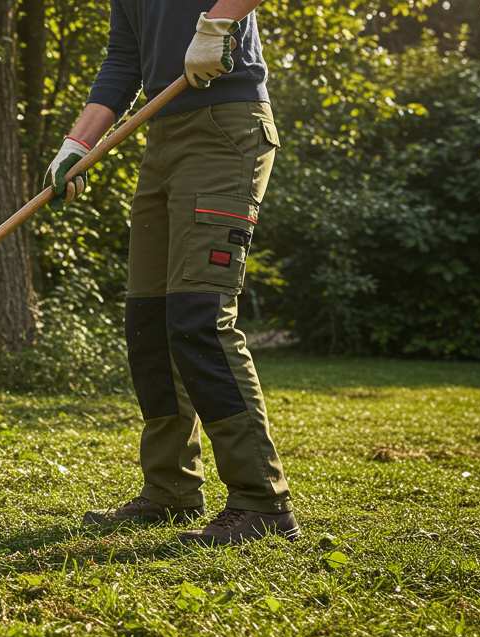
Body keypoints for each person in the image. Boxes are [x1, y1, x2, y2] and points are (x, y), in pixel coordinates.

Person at [44, 0, 299, 545]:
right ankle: (170, 488)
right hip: (165, 135)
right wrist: (77, 143)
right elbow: (122, 62)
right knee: (149, 319)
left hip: (226, 130)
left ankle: (262, 501)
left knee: (198, 315)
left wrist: (218, 23)